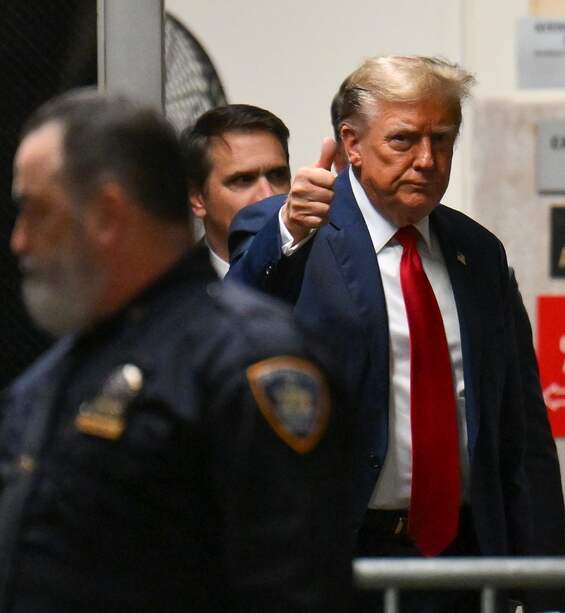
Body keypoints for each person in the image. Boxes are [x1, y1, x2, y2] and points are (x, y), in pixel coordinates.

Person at [2, 89, 347, 612]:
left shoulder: (248, 359)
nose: (20, 241)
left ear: (107, 214)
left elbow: (291, 587)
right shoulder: (56, 372)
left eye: (35, 211)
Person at [228, 55, 531, 612]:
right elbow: (231, 321)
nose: (426, 160)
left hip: (463, 561)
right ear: (352, 144)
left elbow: (521, 430)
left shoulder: (479, 252)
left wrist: (547, 595)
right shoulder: (294, 228)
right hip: (339, 558)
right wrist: (288, 232)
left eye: (442, 139)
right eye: (403, 140)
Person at [182, 103, 292, 276]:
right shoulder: (174, 287)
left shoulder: (325, 271)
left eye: (277, 175)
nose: (268, 195)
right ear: (197, 198)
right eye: (244, 180)